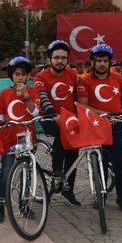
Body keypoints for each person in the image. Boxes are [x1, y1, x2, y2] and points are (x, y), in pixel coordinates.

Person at [77, 44, 122, 213]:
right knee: (99, 161)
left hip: (117, 125)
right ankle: (100, 194)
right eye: (98, 60)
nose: (102, 64)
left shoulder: (117, 77)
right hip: (97, 126)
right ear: (92, 62)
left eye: (105, 60)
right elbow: (83, 106)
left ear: (110, 62)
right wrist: (105, 114)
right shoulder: (85, 80)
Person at [34, 40, 81, 206]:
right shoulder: (41, 76)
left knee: (74, 152)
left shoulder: (73, 75)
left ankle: (69, 189)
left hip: (69, 120)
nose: (60, 61)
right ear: (49, 59)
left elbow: (79, 98)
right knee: (61, 133)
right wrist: (52, 114)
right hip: (49, 118)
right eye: (56, 57)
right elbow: (42, 96)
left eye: (63, 58)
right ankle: (56, 171)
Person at [0, 56, 40, 222]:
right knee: (6, 173)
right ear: (12, 76)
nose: (20, 77)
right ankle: (0, 204)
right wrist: (1, 122)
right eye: (17, 74)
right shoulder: (4, 93)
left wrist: (26, 96)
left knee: (26, 172)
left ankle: (24, 204)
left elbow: (35, 113)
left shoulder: (33, 91)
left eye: (23, 74)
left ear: (28, 76)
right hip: (9, 139)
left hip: (27, 138)